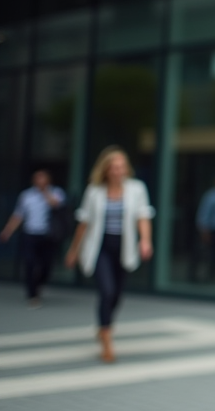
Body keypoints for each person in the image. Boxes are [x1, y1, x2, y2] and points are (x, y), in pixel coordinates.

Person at [64, 147, 154, 363]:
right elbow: (83, 224)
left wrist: (145, 241)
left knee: (117, 296)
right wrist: (73, 251)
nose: (118, 171)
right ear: (105, 170)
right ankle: (106, 337)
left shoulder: (136, 189)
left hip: (123, 247)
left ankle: (104, 325)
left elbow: (143, 217)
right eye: (114, 167)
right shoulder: (94, 191)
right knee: (107, 290)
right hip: (100, 247)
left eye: (122, 167)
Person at [1, 169, 68, 307]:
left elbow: (57, 206)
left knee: (47, 264)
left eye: (43, 179)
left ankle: (39, 285)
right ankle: (32, 294)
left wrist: (45, 192)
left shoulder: (56, 192)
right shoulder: (26, 196)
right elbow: (18, 215)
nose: (40, 182)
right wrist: (7, 231)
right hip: (30, 234)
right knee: (30, 263)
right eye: (37, 179)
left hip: (48, 235)